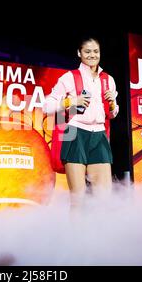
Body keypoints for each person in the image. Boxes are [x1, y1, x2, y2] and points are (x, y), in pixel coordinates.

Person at [43, 37, 119, 212]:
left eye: (96, 51)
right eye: (87, 51)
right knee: (78, 198)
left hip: (99, 135)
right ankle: (76, 239)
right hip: (75, 133)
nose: (92, 55)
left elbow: (113, 114)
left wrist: (113, 104)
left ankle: (99, 238)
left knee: (104, 199)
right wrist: (71, 101)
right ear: (79, 53)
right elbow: (47, 106)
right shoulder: (69, 78)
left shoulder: (109, 80)